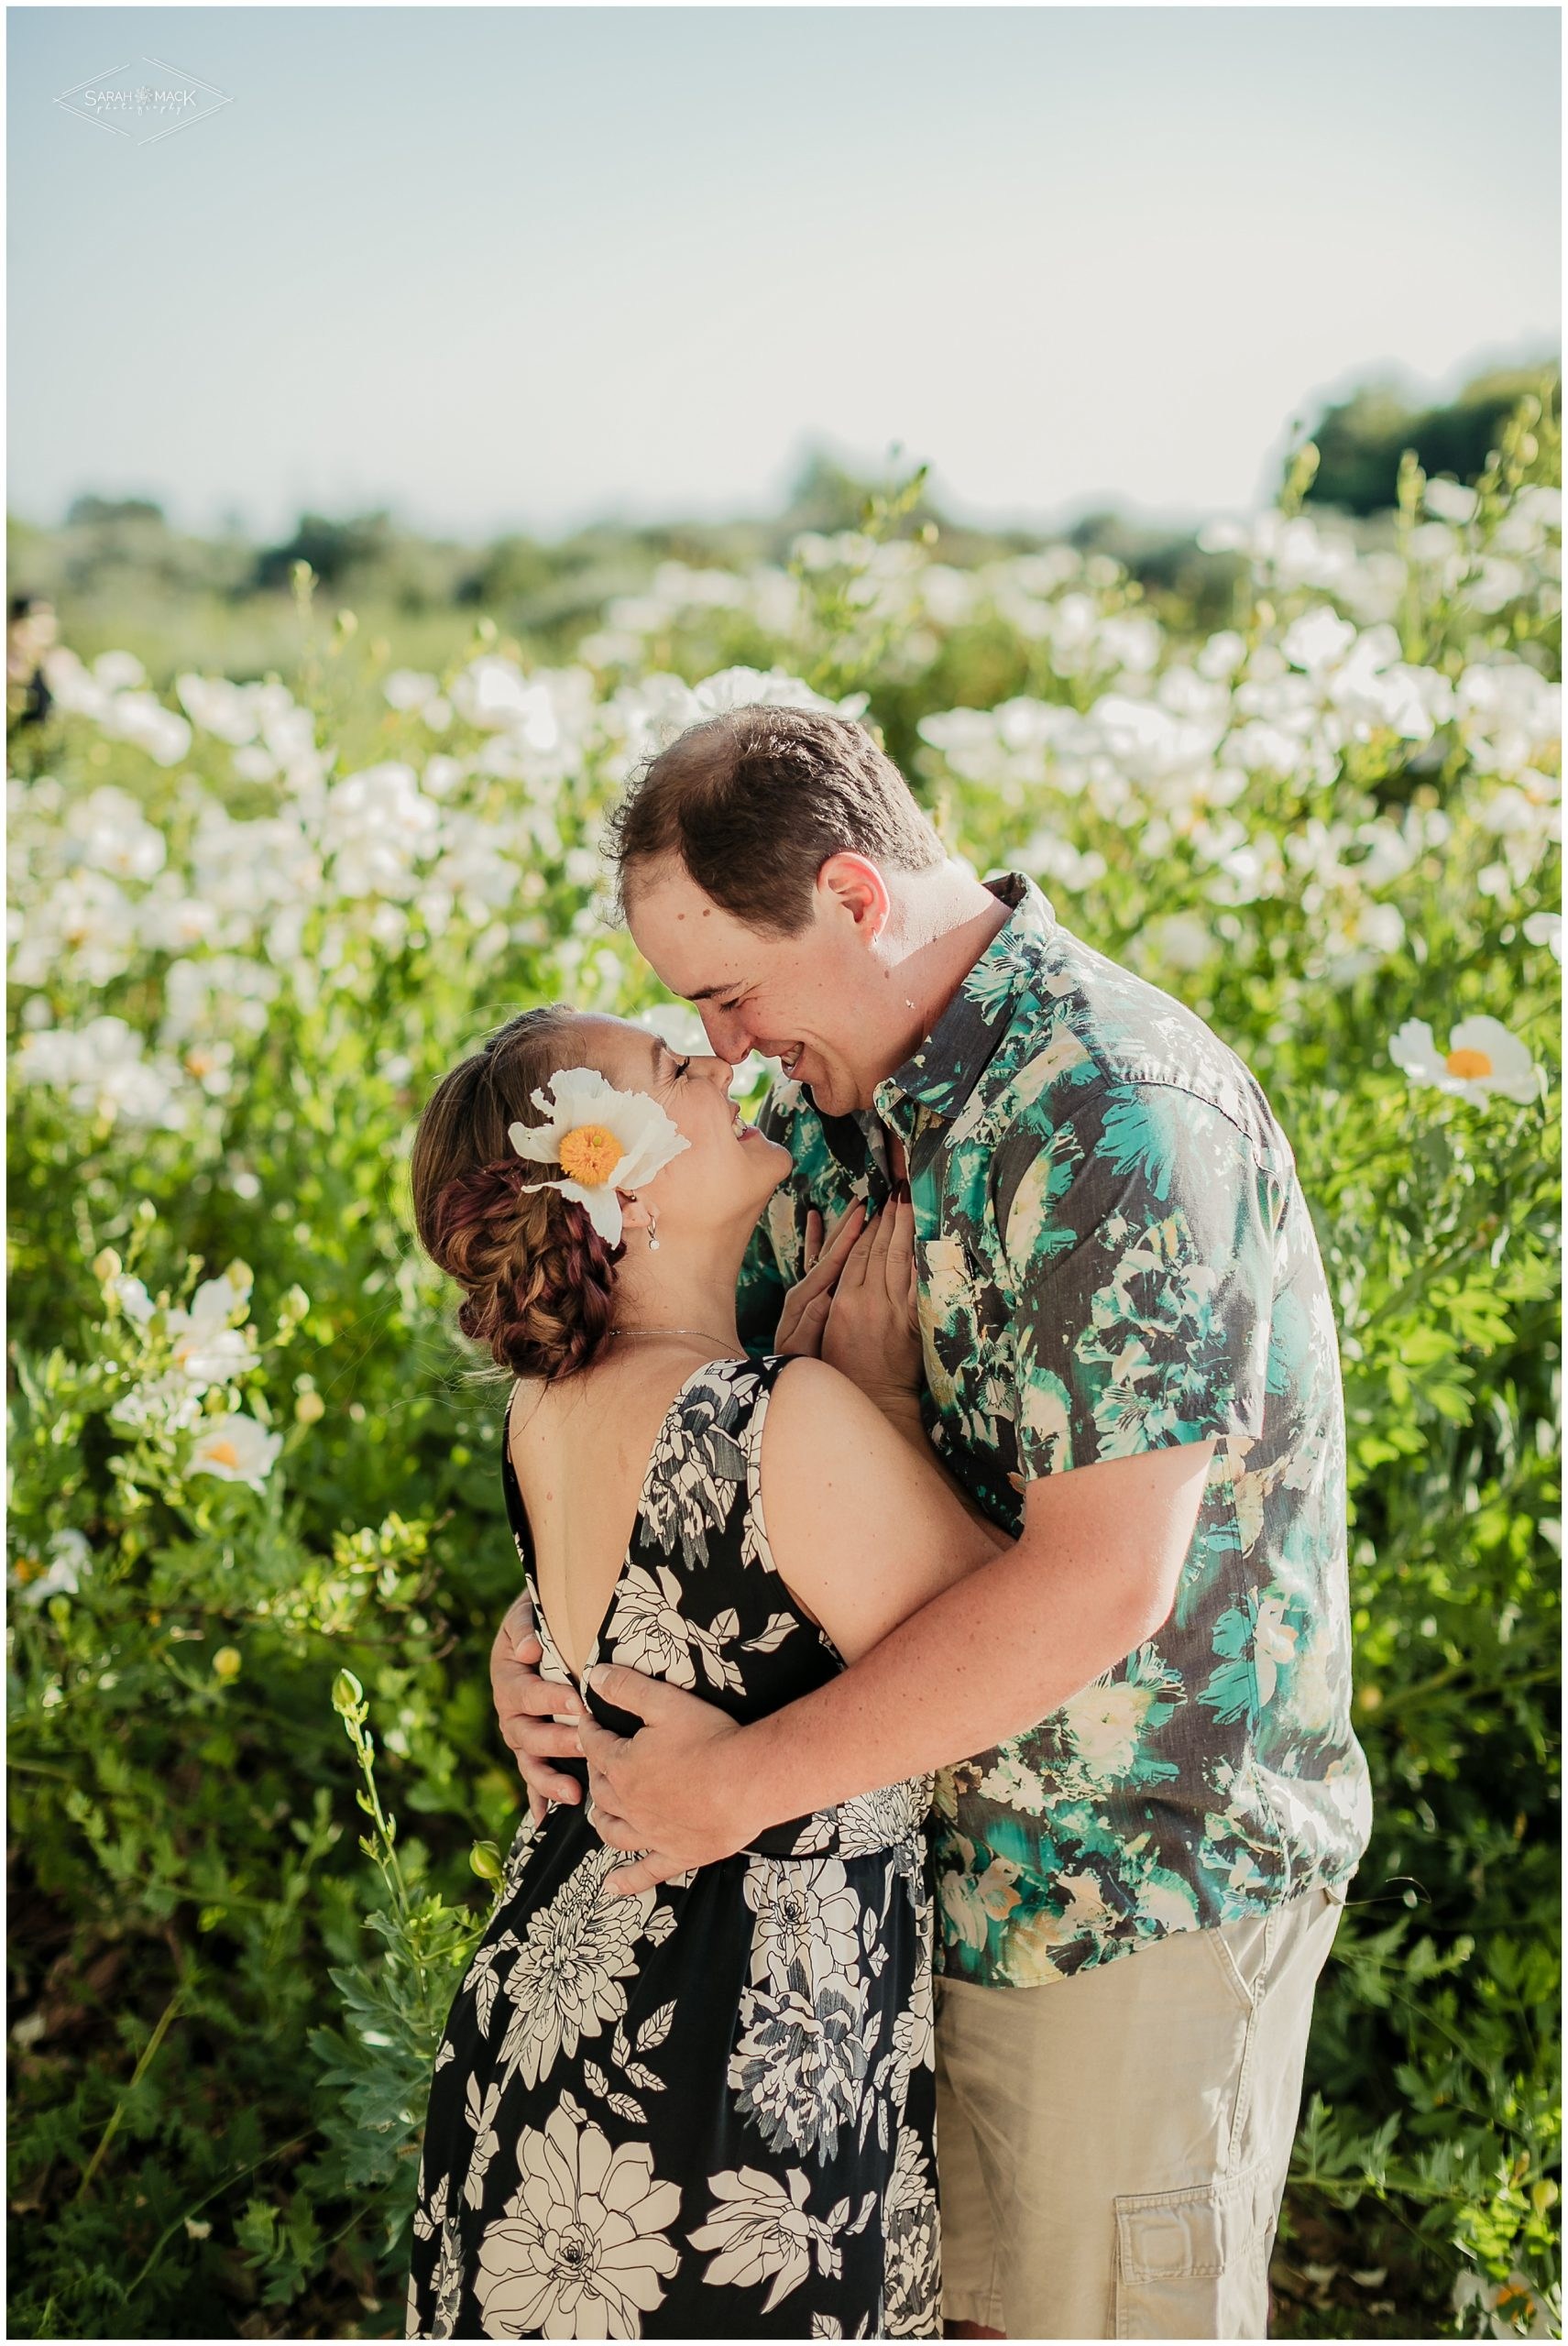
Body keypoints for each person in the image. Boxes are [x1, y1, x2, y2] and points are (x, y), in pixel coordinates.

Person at [490, 704, 1374, 2340]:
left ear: (853, 892)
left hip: (1107, 1914)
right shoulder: (829, 1127)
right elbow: (711, 1453)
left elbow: (1107, 1587)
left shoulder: (1111, 1113)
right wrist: (551, 1637)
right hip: (866, 1916)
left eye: (730, 993)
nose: (730, 1047)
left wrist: (725, 1789)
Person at [403, 1002, 1036, 2340]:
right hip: (735, 2057)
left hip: (562, 2008)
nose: (724, 1062)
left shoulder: (547, 1406)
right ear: (610, 1185)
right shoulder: (767, 1422)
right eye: (674, 1070)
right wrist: (883, 1411)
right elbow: (1019, 1629)